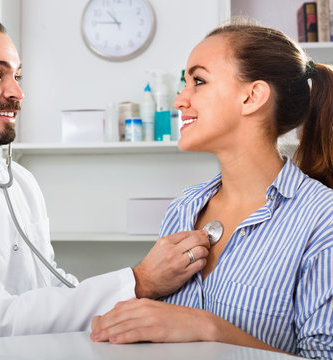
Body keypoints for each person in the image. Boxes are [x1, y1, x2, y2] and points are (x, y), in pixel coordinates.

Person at [0, 14, 211, 345]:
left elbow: (52, 290)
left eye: (17, 75)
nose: (17, 91)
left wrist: (129, 314)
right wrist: (139, 281)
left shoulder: (19, 181)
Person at [90, 22, 333, 359]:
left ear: (252, 96)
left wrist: (209, 329)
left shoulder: (322, 220)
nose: (179, 100)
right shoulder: (183, 209)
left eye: (198, 81)